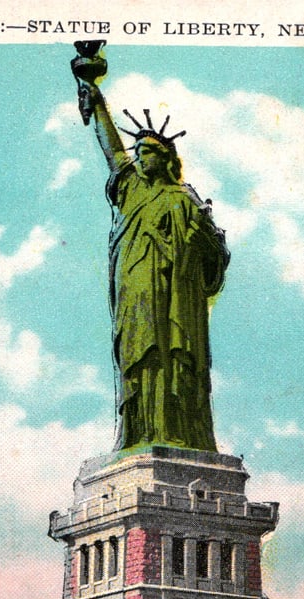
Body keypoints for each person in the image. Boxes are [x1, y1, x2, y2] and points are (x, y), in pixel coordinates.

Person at [74, 66, 229, 451]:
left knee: (175, 361)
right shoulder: (131, 191)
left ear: (166, 158)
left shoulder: (184, 199)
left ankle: (180, 432)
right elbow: (113, 151)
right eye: (139, 153)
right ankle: (139, 434)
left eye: (149, 153)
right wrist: (95, 96)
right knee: (138, 358)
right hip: (137, 288)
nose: (141, 160)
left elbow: (216, 257)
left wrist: (201, 241)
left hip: (177, 296)